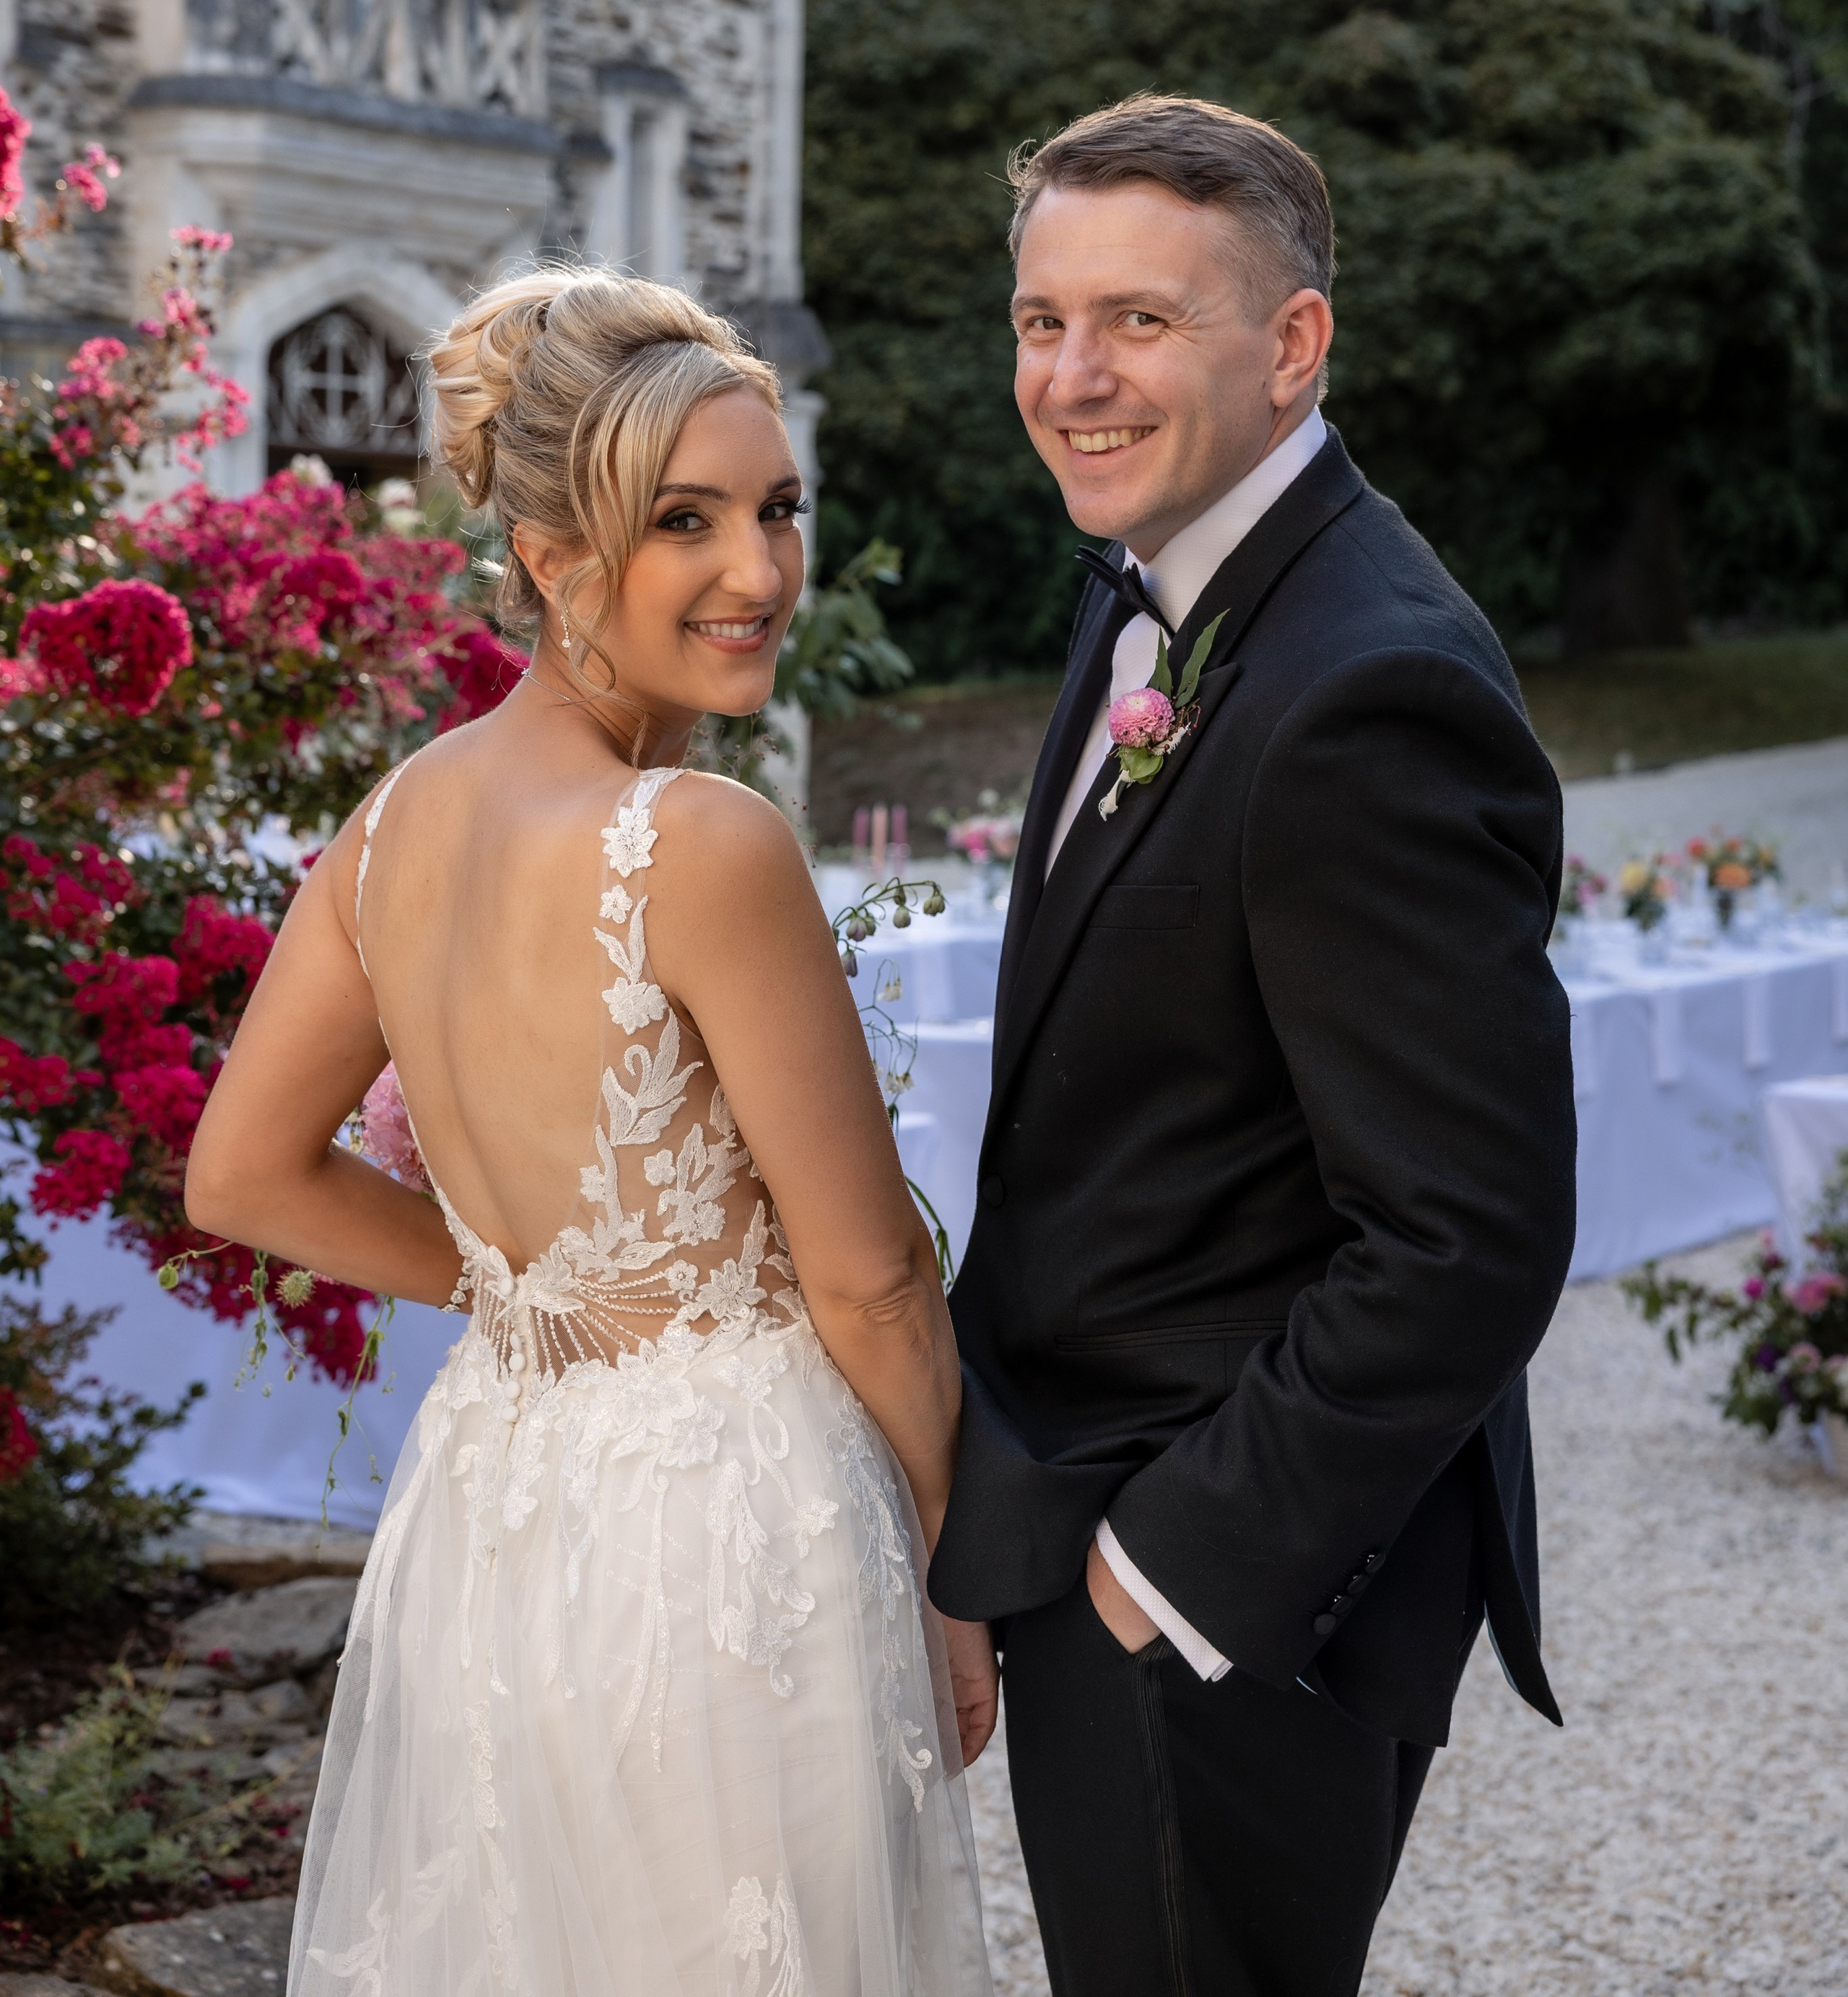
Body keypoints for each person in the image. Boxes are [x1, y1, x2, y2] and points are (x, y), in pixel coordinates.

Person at [187, 268, 996, 1997]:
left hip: (506, 1504)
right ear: (551, 560)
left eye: (776, 509)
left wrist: (523, 1298)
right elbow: (868, 1282)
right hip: (737, 1528)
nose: (760, 573)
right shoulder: (701, 841)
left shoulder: (391, 826)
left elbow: (241, 1172)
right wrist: (959, 1554)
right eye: (682, 523)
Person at [928, 96, 1578, 1997]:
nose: (1071, 375)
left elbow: (1469, 1234)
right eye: (1042, 320)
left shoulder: (1367, 683)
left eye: (1137, 320)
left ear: (1291, 348)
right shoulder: (1162, 581)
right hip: (1088, 1513)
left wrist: (1170, 1575)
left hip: (1227, 1592)